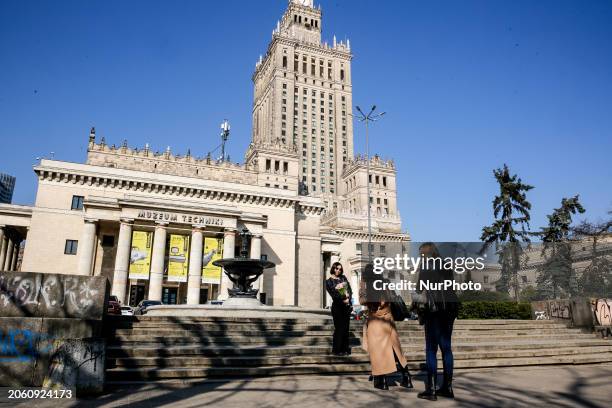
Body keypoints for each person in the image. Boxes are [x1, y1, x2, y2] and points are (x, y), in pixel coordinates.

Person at [414, 242, 459, 401]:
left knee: (431, 349)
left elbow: (419, 289)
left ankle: (431, 390)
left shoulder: (426, 266)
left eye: (421, 254)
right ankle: (447, 387)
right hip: (449, 309)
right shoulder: (446, 265)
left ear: (427, 253)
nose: (420, 256)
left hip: (434, 310)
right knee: (446, 348)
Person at [359, 264, 413, 390]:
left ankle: (381, 381)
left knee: (378, 351)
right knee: (396, 350)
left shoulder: (366, 285)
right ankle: (407, 377)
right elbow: (390, 298)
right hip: (389, 319)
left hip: (376, 320)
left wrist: (362, 283)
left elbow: (362, 300)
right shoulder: (385, 282)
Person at [325, 262, 353, 356]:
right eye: (337, 268)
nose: (338, 270)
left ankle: (345, 349)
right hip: (337, 307)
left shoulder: (343, 278)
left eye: (340, 269)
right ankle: (337, 349)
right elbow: (334, 294)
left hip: (346, 307)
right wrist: (343, 299)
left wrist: (348, 298)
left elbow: (349, 289)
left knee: (346, 328)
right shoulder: (328, 281)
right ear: (333, 268)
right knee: (339, 328)